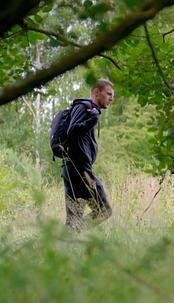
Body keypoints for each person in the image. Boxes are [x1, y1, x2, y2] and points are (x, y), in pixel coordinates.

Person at [61, 79, 114, 231]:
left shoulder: (88, 109)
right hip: (80, 170)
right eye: (109, 94)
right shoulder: (85, 108)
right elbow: (72, 131)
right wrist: (93, 119)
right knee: (104, 210)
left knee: (73, 218)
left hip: (72, 168)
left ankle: (63, 242)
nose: (111, 98)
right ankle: (71, 233)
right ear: (97, 92)